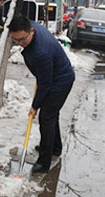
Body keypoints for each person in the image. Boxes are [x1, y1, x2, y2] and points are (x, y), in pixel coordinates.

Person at [9, 15, 75, 173]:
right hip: (55, 75)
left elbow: (45, 85)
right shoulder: (30, 26)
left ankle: (44, 162)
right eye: (16, 40)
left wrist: (35, 106)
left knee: (46, 117)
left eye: (22, 39)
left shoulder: (41, 53)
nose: (20, 43)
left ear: (31, 31)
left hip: (60, 81)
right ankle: (54, 147)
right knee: (51, 115)